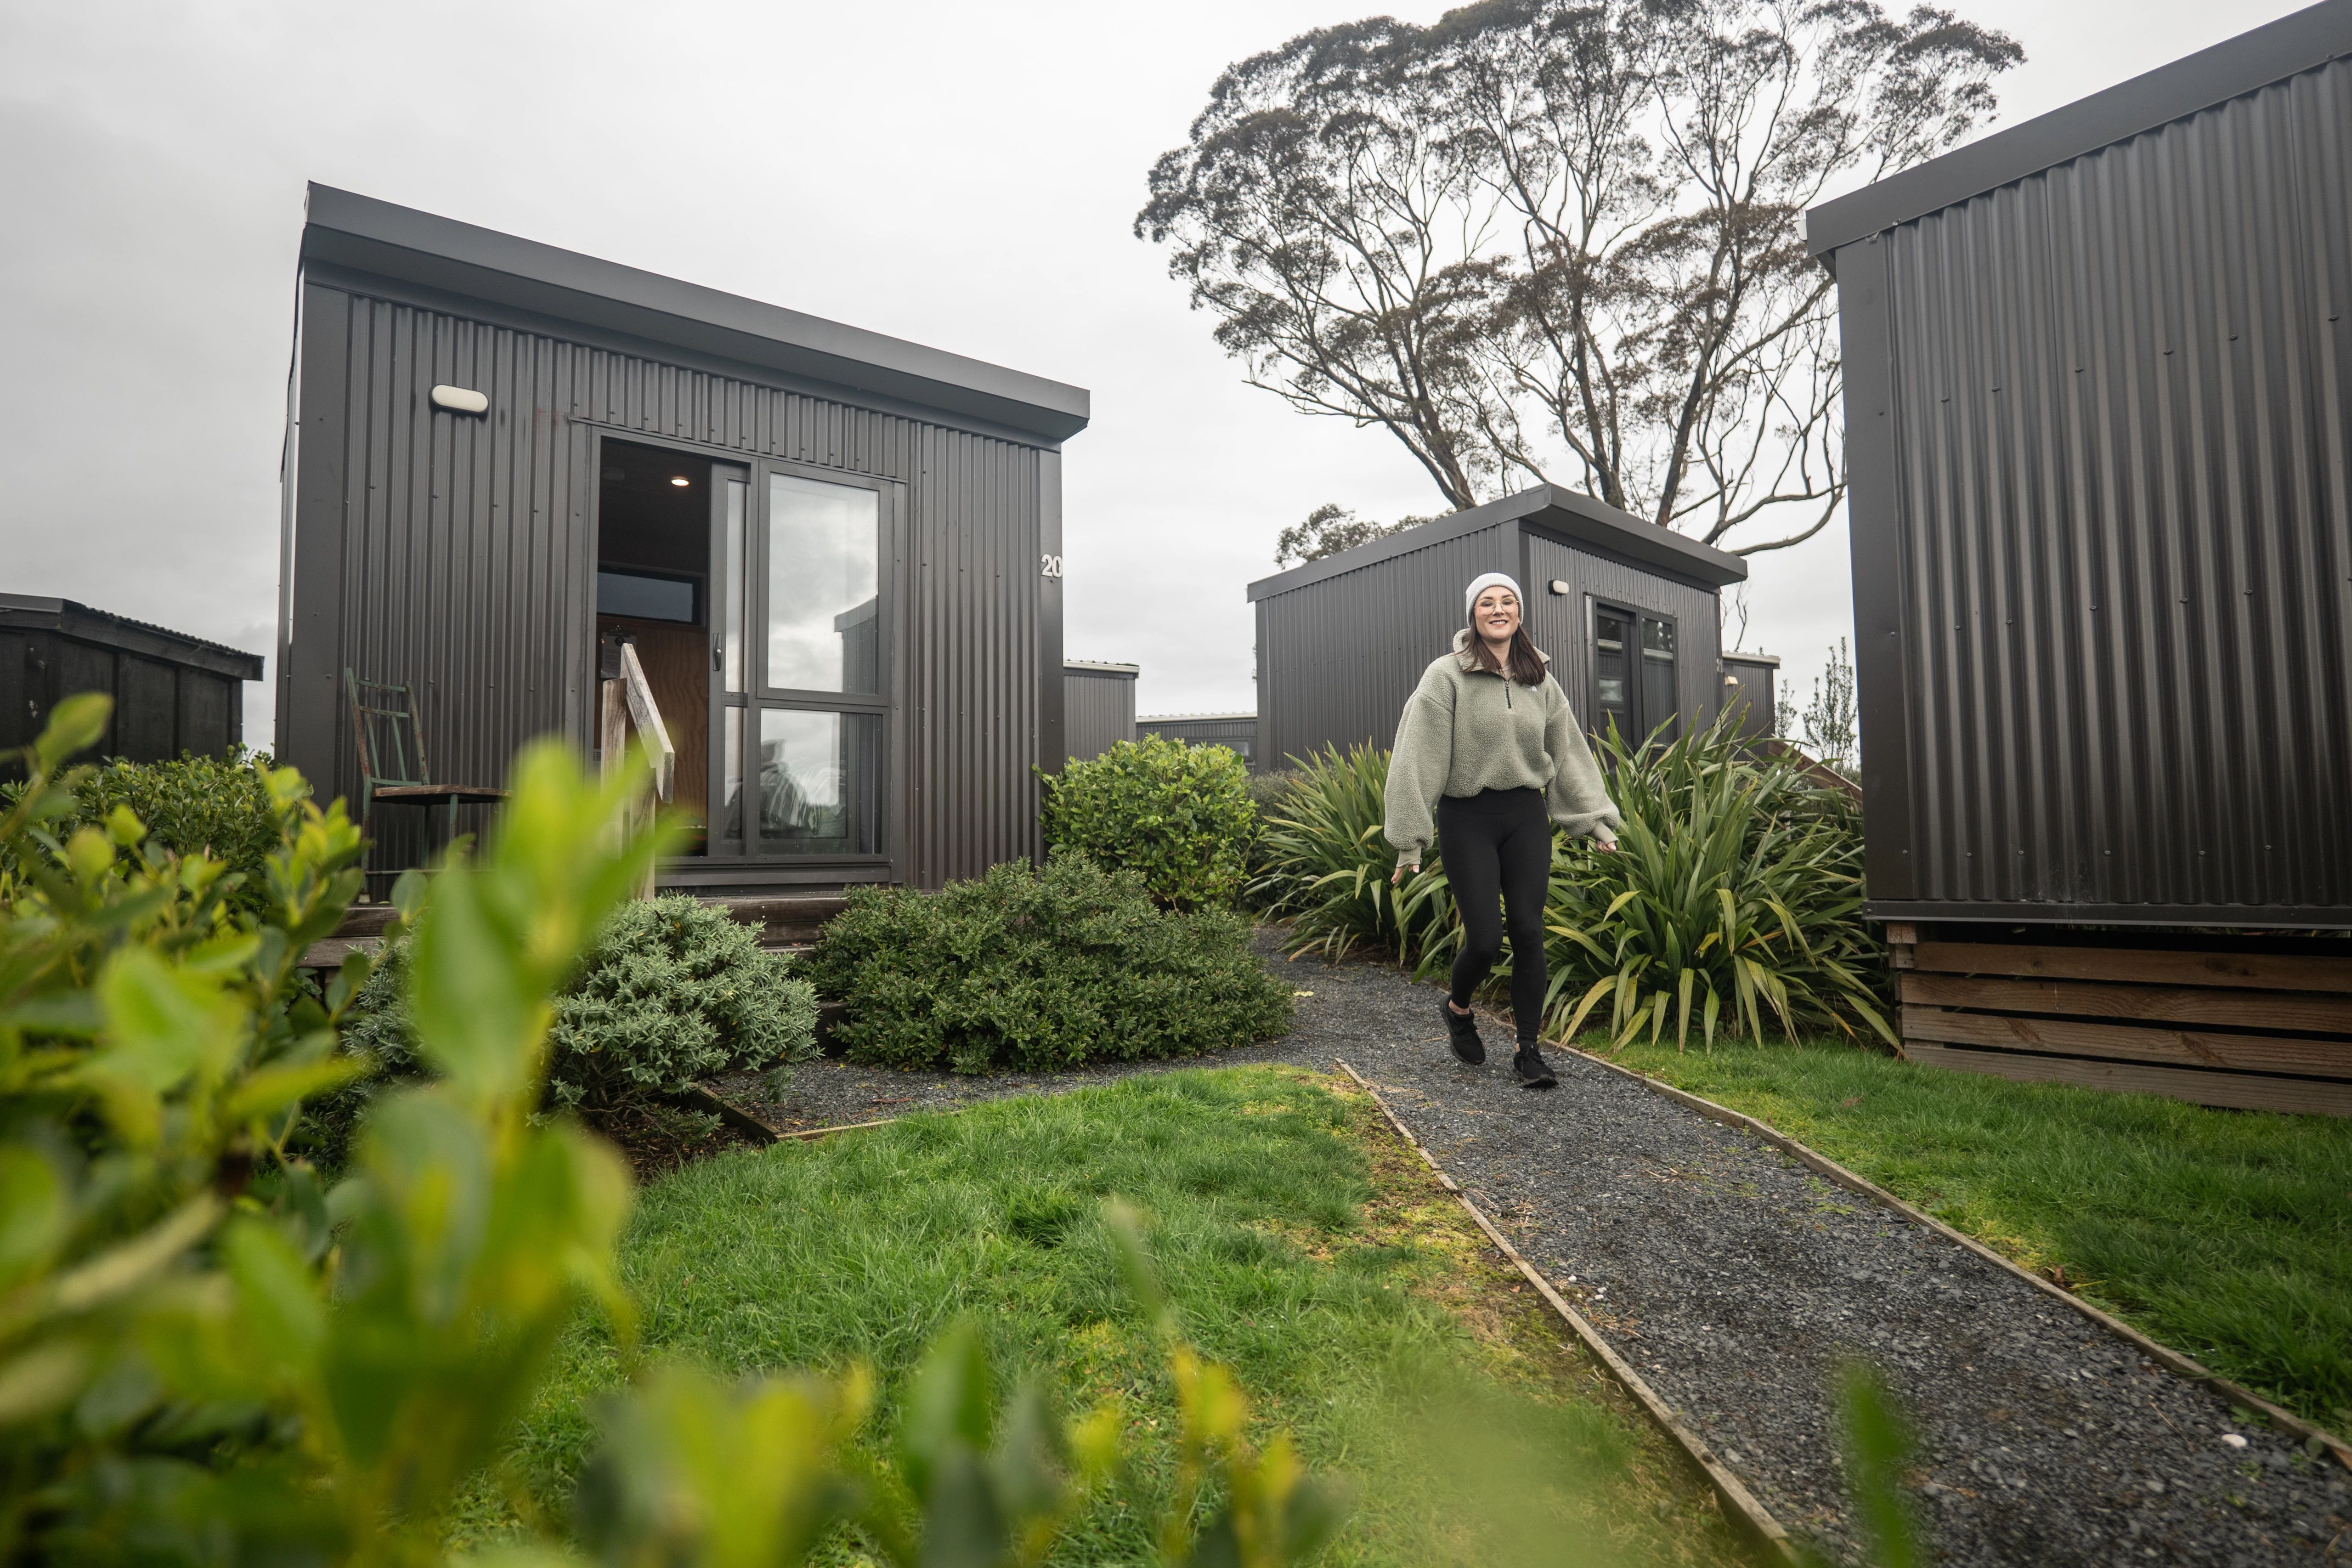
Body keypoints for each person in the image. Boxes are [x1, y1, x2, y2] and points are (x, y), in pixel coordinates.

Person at [1384, 573, 1619, 1088]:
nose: (1497, 609)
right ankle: (1458, 1008)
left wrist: (1593, 819)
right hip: (1466, 816)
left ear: (1518, 613)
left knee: (1530, 932)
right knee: (1486, 939)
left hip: (1524, 815)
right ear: (1473, 615)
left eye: (1506, 602)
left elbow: (1567, 752)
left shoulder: (1539, 678)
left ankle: (1527, 1050)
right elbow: (1416, 756)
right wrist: (1409, 838)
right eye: (1486, 603)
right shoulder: (1445, 676)